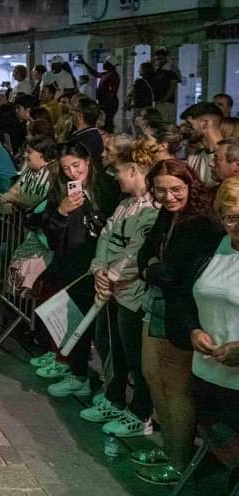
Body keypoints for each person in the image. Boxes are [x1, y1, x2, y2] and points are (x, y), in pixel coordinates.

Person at [133, 159, 224, 486]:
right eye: (161, 190)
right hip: (155, 304)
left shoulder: (201, 223)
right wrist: (152, 267)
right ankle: (169, 447)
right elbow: (144, 257)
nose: (169, 196)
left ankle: (179, 460)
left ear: (189, 186)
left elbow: (175, 274)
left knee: (176, 387)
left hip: (180, 312)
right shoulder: (164, 214)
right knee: (152, 376)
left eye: (176, 189)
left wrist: (156, 268)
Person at [80, 145, 158, 438]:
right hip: (109, 289)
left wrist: (111, 276)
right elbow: (105, 237)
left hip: (132, 293)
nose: (117, 179)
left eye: (120, 172)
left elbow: (136, 252)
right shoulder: (125, 205)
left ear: (135, 171)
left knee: (132, 354)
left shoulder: (152, 209)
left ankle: (139, 413)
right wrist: (99, 269)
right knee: (107, 344)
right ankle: (113, 398)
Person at [34, 142, 121, 396]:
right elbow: (50, 230)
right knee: (77, 322)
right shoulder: (59, 190)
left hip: (106, 266)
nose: (73, 172)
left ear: (88, 162)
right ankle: (78, 374)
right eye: (66, 168)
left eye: (76, 165)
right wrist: (62, 211)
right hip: (73, 266)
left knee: (105, 332)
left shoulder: (108, 186)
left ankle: (111, 391)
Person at [186, 177, 239, 477]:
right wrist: (193, 329)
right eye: (230, 217)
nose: (237, 225)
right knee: (220, 443)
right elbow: (188, 297)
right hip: (207, 372)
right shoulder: (213, 246)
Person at [150, 49, 181, 124]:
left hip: (167, 102)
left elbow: (173, 86)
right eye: (158, 59)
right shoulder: (158, 70)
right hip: (158, 101)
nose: (159, 61)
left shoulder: (171, 70)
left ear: (166, 58)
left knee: (166, 122)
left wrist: (165, 99)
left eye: (161, 58)